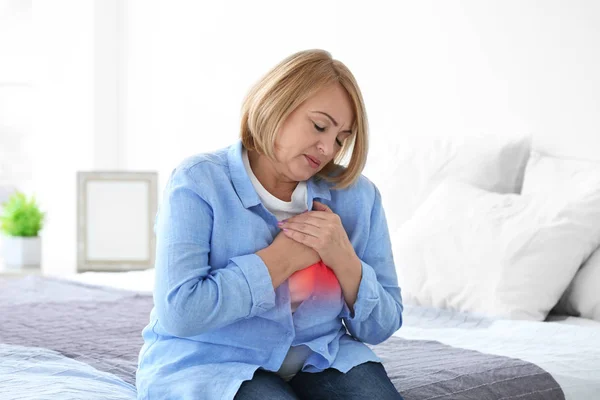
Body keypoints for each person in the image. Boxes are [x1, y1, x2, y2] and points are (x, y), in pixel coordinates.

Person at [136, 49, 404, 400]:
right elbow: (181, 313)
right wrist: (281, 260)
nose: (327, 148)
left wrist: (344, 259)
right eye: (320, 126)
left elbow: (383, 324)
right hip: (212, 360)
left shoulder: (359, 196)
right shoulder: (199, 182)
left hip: (321, 356)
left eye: (341, 138)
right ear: (277, 104)